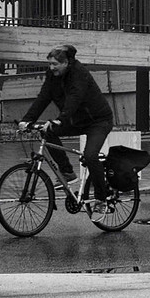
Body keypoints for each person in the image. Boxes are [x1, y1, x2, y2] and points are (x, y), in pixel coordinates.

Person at [18, 44, 115, 205]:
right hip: (75, 121)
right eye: (50, 64)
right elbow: (43, 97)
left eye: (55, 64)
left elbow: (74, 98)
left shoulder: (79, 73)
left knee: (90, 155)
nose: (51, 68)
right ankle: (67, 172)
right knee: (47, 132)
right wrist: (27, 120)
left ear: (66, 63)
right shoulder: (52, 75)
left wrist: (60, 119)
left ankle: (101, 198)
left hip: (98, 121)